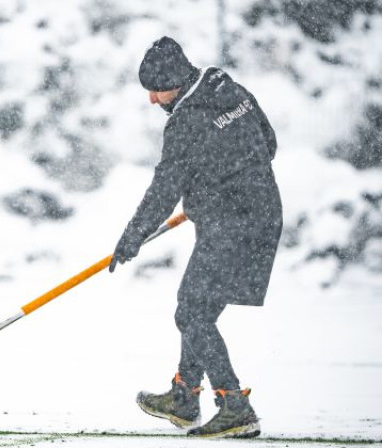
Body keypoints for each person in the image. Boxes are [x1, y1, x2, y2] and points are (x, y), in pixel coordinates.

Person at [108, 36, 283, 438]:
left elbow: (164, 190)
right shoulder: (226, 87)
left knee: (192, 313)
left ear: (172, 80)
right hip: (260, 214)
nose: (153, 100)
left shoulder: (187, 121)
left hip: (234, 223)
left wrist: (130, 239)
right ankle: (185, 397)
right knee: (199, 309)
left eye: (156, 90)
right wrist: (217, 185)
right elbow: (266, 143)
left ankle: (234, 406)